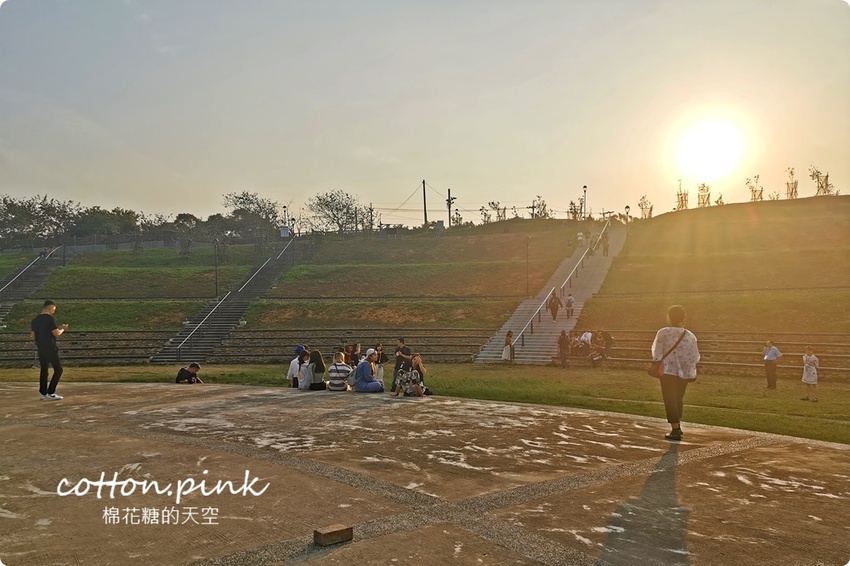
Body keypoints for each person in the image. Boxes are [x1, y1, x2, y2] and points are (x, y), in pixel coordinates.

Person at [651, 304, 700, 441]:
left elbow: (657, 352)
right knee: (678, 398)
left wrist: (656, 362)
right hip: (684, 372)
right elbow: (695, 355)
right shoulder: (690, 335)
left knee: (670, 399)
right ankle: (677, 425)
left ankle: (675, 429)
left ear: (669, 317)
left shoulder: (663, 332)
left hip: (668, 371)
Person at [30, 300, 69, 400]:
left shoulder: (35, 320)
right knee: (58, 369)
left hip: (41, 348)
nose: (53, 312)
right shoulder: (49, 319)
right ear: (49, 308)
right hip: (50, 347)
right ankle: (51, 392)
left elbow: (33, 336)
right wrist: (63, 329)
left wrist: (58, 328)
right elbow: (56, 333)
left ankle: (43, 393)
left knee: (44, 370)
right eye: (53, 310)